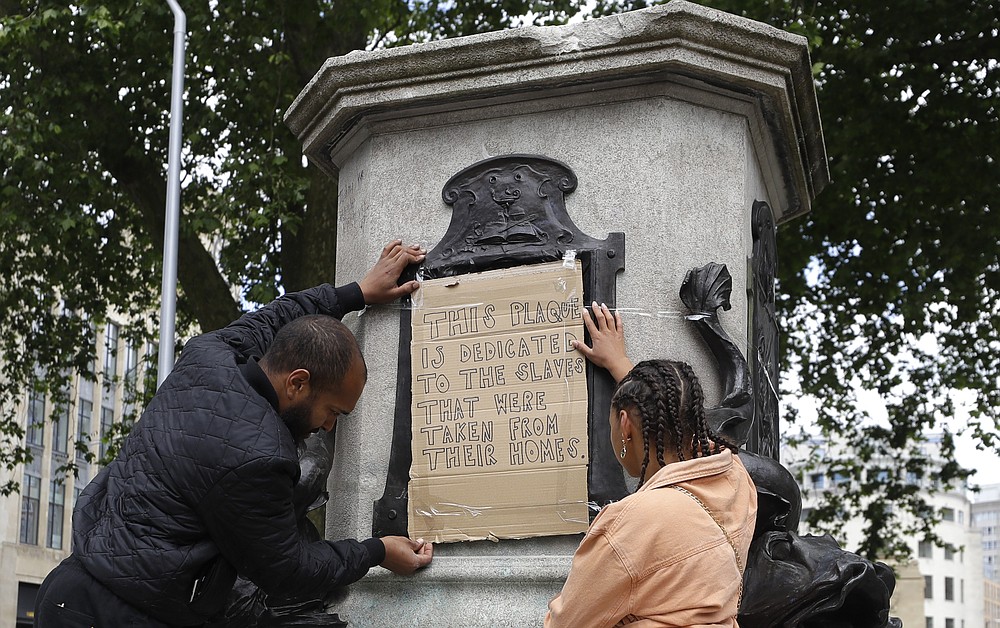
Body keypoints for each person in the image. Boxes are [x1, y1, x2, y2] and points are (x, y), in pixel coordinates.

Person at [34, 240, 434, 627]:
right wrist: (376, 551)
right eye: (332, 411)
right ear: (297, 383)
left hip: (69, 591)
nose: (329, 426)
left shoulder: (209, 354)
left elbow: (279, 316)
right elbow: (289, 569)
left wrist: (356, 293)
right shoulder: (261, 458)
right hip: (120, 615)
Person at [545, 302, 758, 627]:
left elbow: (566, 623)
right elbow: (687, 427)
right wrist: (622, 366)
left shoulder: (632, 523)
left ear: (625, 425)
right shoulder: (735, 479)